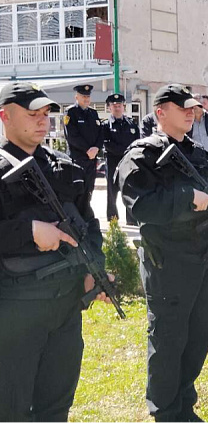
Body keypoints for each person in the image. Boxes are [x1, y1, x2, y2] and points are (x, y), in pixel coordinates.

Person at [117, 84, 208, 422]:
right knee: (168, 339)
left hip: (200, 259)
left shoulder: (200, 154)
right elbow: (140, 207)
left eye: (193, 108)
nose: (191, 112)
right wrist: (187, 197)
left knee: (198, 335)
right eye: (182, 108)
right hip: (167, 261)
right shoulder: (142, 156)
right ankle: (165, 410)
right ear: (161, 112)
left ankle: (183, 403)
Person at [0, 82, 113, 421]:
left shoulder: (63, 166)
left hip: (65, 305)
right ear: (4, 116)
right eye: (32, 114)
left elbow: (89, 224)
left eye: (46, 114)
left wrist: (96, 267)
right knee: (12, 406)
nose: (42, 121)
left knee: (57, 402)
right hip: (16, 308)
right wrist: (29, 233)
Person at [102, 93, 140, 224]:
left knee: (130, 191)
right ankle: (113, 220)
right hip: (113, 162)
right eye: (114, 106)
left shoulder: (131, 124)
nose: (117, 108)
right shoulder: (106, 125)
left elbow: (137, 142)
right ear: (109, 108)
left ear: (123, 107)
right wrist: (124, 151)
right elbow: (107, 144)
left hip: (128, 163)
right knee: (112, 193)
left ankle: (132, 219)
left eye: (119, 105)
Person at [64, 84, 102, 198]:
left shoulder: (93, 113)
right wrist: (87, 149)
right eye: (83, 96)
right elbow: (71, 136)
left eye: (88, 97)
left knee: (89, 189)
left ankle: (87, 214)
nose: (86, 99)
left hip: (91, 159)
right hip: (77, 158)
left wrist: (97, 148)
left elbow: (100, 133)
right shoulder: (70, 112)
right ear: (76, 97)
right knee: (77, 190)